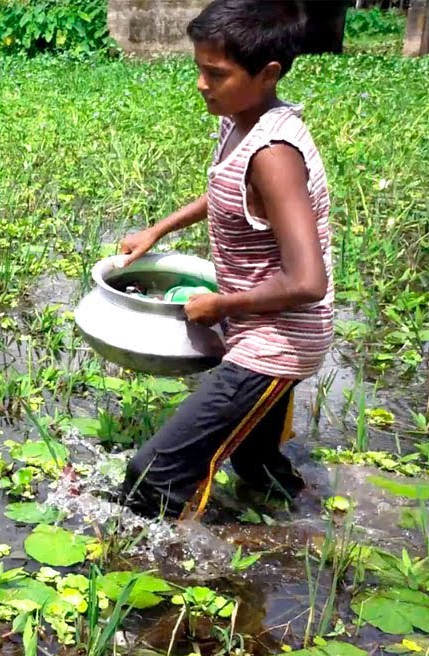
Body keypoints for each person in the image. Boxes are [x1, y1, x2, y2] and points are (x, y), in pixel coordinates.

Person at [116, 0, 333, 521]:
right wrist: (157, 230)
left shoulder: (274, 155)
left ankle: (156, 561)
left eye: (216, 74)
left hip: (277, 343)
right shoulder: (240, 121)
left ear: (267, 74)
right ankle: (302, 531)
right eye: (199, 69)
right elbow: (226, 192)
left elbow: (308, 280)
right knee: (254, 463)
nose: (201, 84)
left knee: (152, 475)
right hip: (259, 325)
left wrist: (221, 305)